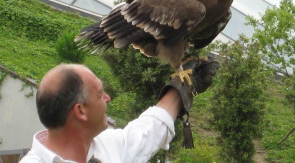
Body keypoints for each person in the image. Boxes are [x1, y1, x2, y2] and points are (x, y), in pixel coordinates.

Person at [19, 57, 219, 163]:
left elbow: (149, 130)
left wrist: (181, 87)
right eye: (99, 94)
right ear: (80, 111)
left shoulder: (107, 146)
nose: (108, 98)